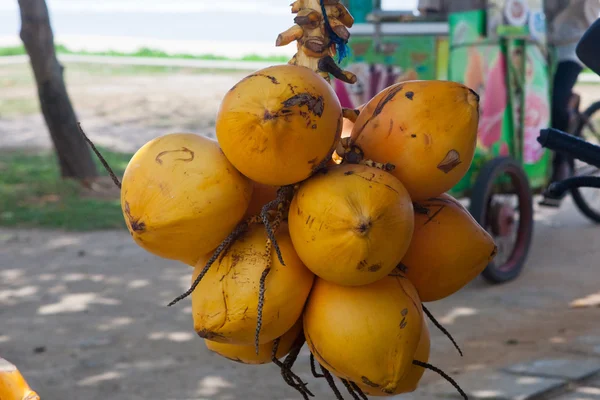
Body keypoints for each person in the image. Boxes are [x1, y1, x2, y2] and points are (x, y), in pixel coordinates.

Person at [545, 0, 600, 187]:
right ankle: (572, 108)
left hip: (574, 44)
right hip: (545, 45)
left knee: (557, 103)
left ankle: (561, 163)